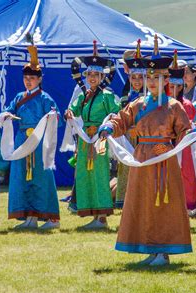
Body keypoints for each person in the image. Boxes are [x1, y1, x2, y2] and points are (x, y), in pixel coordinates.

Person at [100, 36, 193, 266]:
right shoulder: (137, 104)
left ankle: (163, 251)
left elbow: (185, 132)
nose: (152, 82)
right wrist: (109, 127)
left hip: (164, 160)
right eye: (148, 77)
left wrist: (173, 144)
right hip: (141, 158)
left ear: (166, 79)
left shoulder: (174, 106)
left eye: (157, 77)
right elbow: (122, 121)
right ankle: (149, 248)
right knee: (143, 202)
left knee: (163, 202)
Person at [3, 43, 61, 230]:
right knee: (21, 177)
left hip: (38, 140)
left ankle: (52, 218)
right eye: (26, 78)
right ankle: (29, 217)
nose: (28, 81)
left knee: (41, 177)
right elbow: (9, 110)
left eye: (32, 78)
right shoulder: (19, 96)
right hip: (22, 140)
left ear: (39, 79)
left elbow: (56, 118)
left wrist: (52, 117)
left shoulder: (45, 98)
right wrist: (5, 115)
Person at [64, 42, 121, 228]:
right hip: (84, 140)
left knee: (100, 175)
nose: (92, 78)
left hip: (99, 139)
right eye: (89, 74)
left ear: (102, 76)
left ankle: (102, 216)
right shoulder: (83, 95)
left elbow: (116, 113)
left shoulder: (107, 95)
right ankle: (93, 214)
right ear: (86, 76)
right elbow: (73, 110)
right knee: (85, 175)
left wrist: (105, 125)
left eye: (96, 74)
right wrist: (69, 113)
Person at [168, 50, 196, 210]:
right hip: (167, 143)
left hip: (184, 143)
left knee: (186, 172)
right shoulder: (163, 103)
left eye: (178, 86)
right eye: (172, 86)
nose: (175, 89)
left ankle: (189, 203)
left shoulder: (187, 104)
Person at [115, 41, 146, 208]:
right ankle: (126, 201)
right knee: (126, 166)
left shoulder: (150, 97)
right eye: (133, 77)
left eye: (140, 77)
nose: (136, 81)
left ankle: (141, 200)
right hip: (128, 137)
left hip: (144, 138)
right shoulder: (126, 94)